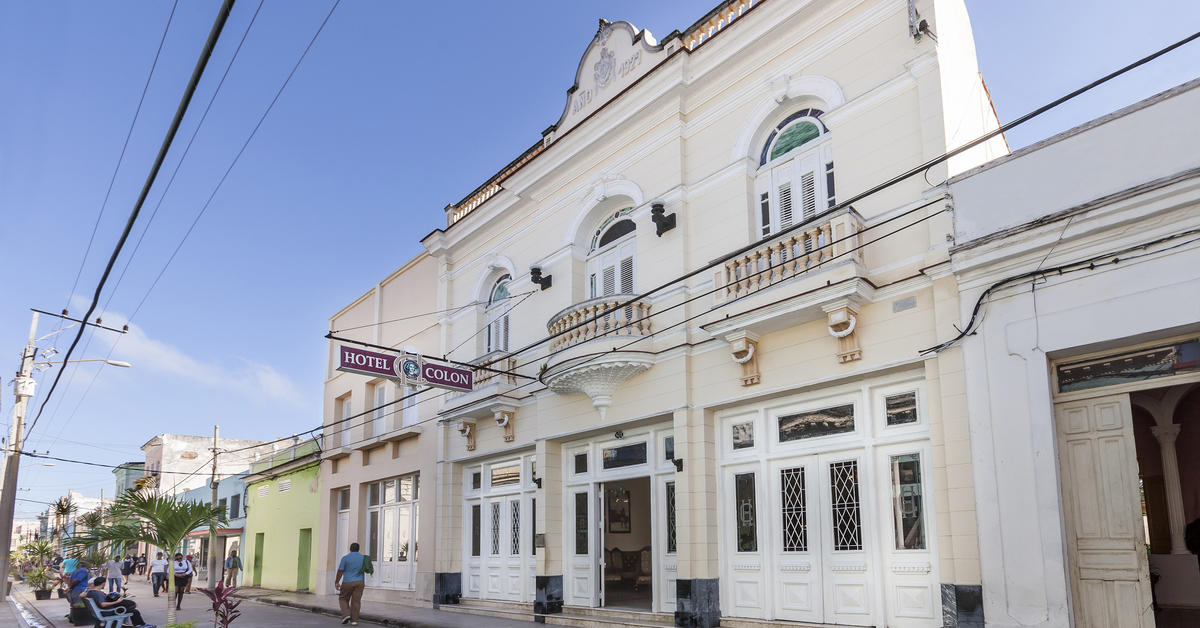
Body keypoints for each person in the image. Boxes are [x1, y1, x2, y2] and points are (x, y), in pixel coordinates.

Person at [83, 576, 148, 626]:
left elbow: (82, 595)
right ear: (103, 583)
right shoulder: (97, 593)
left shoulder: (90, 592)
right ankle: (140, 625)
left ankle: (139, 625)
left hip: (104, 611)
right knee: (134, 610)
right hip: (108, 612)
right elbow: (103, 604)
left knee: (131, 607)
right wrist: (117, 602)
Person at [334, 542, 367, 626]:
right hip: (360, 582)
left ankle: (346, 615)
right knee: (356, 601)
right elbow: (367, 570)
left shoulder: (345, 558)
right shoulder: (364, 558)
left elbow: (340, 571)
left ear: (350, 549)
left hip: (347, 582)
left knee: (343, 598)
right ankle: (354, 620)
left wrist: (337, 581)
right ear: (358, 549)